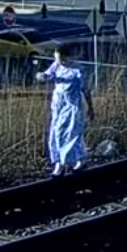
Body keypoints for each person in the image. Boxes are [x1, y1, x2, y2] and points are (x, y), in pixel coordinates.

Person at [34, 43, 93, 177]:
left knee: (68, 133)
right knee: (55, 133)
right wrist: (41, 76)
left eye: (61, 59)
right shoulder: (56, 66)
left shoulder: (78, 70)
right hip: (58, 104)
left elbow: (86, 90)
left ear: (69, 57)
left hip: (72, 105)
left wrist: (90, 107)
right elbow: (48, 75)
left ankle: (68, 161)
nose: (59, 62)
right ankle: (63, 161)